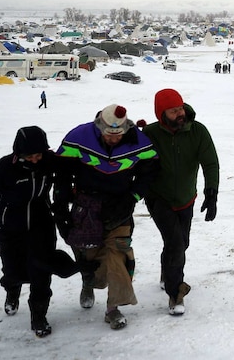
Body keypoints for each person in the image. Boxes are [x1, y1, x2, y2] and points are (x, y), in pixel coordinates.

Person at [0, 126, 78, 338]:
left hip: (41, 224)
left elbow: (77, 163)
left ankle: (39, 316)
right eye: (30, 156)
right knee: (12, 272)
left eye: (38, 155)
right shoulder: (4, 169)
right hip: (10, 227)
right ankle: (12, 291)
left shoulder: (49, 161)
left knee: (41, 273)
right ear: (19, 152)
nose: (35, 160)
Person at [53, 104, 158, 330]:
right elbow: (61, 174)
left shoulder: (139, 143)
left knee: (119, 253)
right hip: (86, 206)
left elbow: (148, 175)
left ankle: (113, 308)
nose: (113, 139)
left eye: (118, 135)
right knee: (90, 256)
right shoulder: (78, 137)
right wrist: (60, 207)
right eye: (109, 135)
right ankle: (88, 282)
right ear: (99, 126)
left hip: (119, 206)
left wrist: (132, 198)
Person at [142, 88, 220, 316]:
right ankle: (176, 293)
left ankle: (167, 271)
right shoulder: (150, 133)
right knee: (176, 244)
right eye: (173, 110)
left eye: (180, 108)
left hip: (186, 198)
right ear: (161, 113)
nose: (179, 113)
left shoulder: (198, 131)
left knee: (181, 243)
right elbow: (132, 154)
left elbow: (210, 163)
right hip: (159, 198)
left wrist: (211, 192)